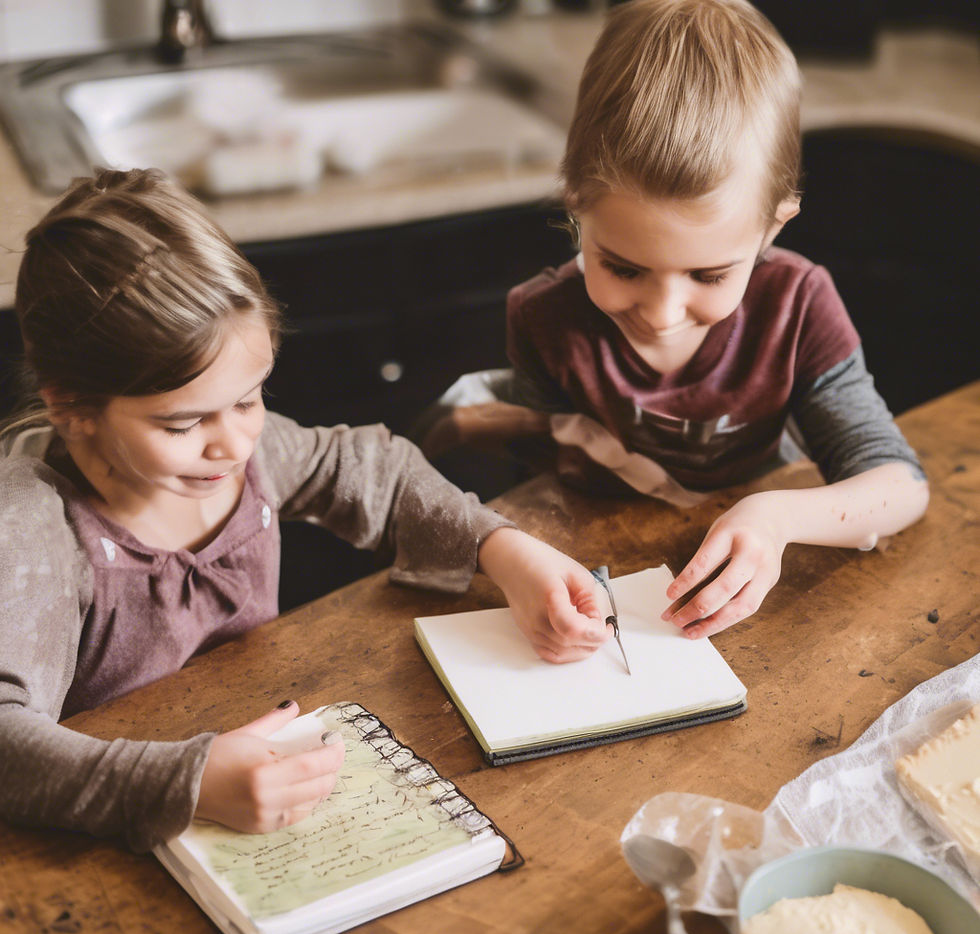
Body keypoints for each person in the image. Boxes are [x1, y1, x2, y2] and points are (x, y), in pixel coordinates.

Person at [0, 167, 610, 852]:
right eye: (181, 425)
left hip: (269, 782)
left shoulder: (246, 453)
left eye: (249, 397)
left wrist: (502, 549)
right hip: (107, 835)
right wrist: (187, 782)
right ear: (71, 409)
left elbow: (373, 467)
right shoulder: (30, 529)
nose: (233, 443)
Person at [417, 0, 928, 640]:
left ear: (774, 223)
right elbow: (540, 483)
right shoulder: (541, 316)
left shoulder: (797, 305)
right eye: (623, 268)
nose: (662, 314)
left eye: (710, 276)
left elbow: (901, 484)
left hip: (755, 598)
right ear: (577, 207)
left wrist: (774, 519)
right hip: (615, 593)